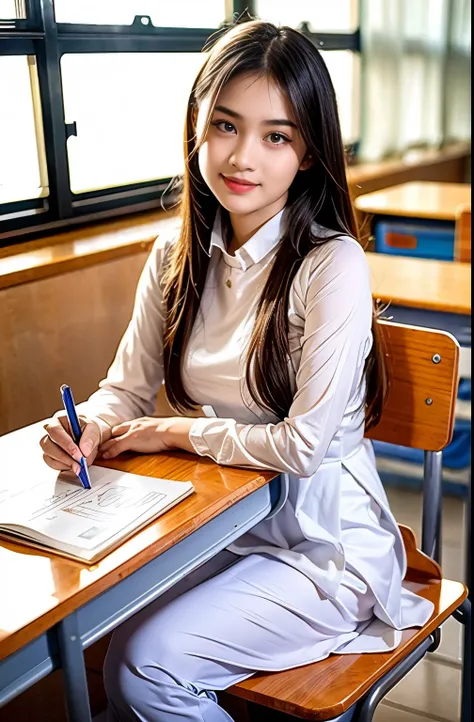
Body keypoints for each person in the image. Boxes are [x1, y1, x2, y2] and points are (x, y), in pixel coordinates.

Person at [40, 19, 434, 722]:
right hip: (216, 525)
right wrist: (90, 427)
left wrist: (170, 433)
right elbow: (124, 386)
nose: (242, 156)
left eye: (276, 136)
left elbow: (303, 446)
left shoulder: (330, 263)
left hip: (322, 549)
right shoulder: (175, 252)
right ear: (197, 123)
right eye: (225, 125)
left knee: (142, 668)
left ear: (309, 150)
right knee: (83, 631)